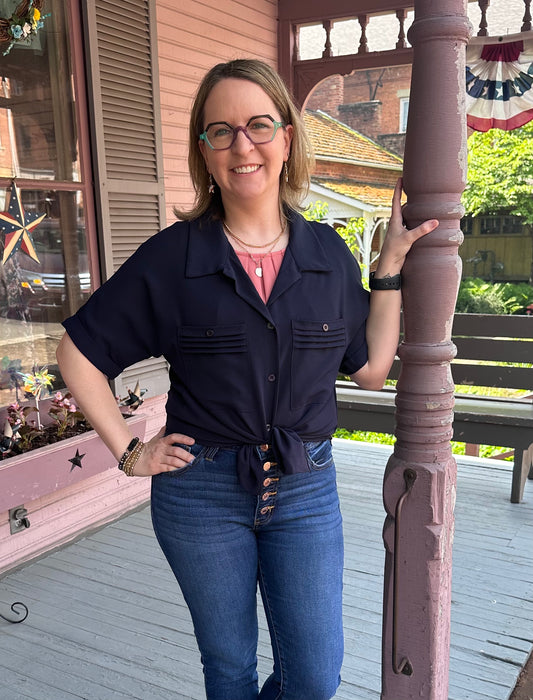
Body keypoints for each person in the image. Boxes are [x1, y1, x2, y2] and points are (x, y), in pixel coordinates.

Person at [56, 58, 438, 700]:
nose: (243, 145)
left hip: (305, 489)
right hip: (200, 493)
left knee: (314, 678)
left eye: (260, 125)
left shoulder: (327, 256)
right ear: (204, 152)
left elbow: (371, 370)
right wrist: (128, 450)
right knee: (229, 672)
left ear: (288, 137)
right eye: (221, 131)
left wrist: (390, 272)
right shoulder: (172, 260)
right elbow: (78, 354)